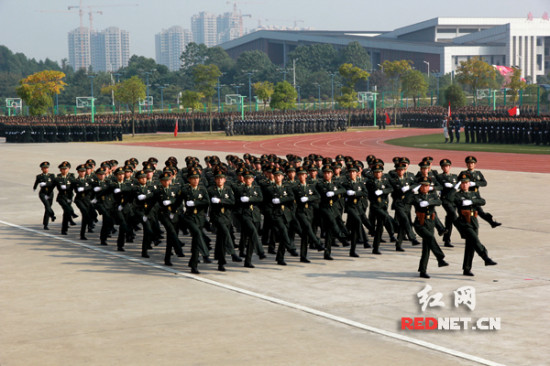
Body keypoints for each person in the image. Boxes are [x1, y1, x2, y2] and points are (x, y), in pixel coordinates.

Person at [453, 172, 497, 276]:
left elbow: (482, 201)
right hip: (464, 221)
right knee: (475, 240)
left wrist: (471, 202)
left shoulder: (474, 193)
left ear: (469, 184)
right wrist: (454, 188)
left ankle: (467, 269)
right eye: (462, 183)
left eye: (466, 183)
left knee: (470, 245)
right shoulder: (457, 195)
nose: (464, 185)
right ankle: (485, 257)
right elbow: (449, 199)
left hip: (474, 220)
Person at [409, 177, 448, 278]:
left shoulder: (432, 195)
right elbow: (407, 200)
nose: (424, 187)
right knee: (430, 237)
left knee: (426, 248)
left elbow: (439, 202)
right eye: (422, 186)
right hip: (420, 223)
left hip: (430, 222)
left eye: (426, 186)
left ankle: (423, 270)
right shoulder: (416, 197)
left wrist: (429, 203)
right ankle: (440, 258)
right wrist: (414, 189)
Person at [207, 167, 242, 271]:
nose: (219, 180)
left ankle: (220, 262)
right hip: (216, 217)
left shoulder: (228, 189)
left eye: (221, 178)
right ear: (215, 179)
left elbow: (232, 202)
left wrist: (220, 201)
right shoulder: (210, 190)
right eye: (217, 178)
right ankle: (232, 253)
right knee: (226, 233)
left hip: (226, 217)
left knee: (221, 240)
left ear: (225, 179)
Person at [264, 168, 299, 265]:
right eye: (276, 176)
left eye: (279, 176)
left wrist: (281, 201)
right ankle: (291, 248)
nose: (277, 177)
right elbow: (266, 204)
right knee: (283, 231)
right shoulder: (270, 189)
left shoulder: (287, 187)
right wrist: (271, 214)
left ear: (283, 177)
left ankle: (280, 258)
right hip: (276, 215)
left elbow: (292, 197)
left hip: (286, 214)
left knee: (284, 236)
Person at [235, 170, 266, 268]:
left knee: (252, 239)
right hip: (245, 215)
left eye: (250, 178)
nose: (248, 180)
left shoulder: (257, 188)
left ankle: (248, 261)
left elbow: (260, 198)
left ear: (252, 179)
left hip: (255, 215)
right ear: (244, 179)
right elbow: (237, 201)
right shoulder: (240, 188)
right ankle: (260, 251)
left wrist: (249, 199)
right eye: (246, 178)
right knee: (253, 232)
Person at [459, 156, 502, 228]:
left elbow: (484, 183)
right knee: (466, 213)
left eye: (472, 163)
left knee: (479, 211)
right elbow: (458, 183)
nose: (470, 165)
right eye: (469, 163)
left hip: (475, 194)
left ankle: (491, 223)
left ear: (475, 164)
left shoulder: (478, 173)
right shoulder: (463, 173)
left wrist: (476, 183)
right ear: (466, 165)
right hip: (466, 194)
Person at [292, 166, 323, 262]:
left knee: (305, 234)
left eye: (303, 174)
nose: (301, 176)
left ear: (306, 175)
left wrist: (309, 199)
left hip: (310, 212)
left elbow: (317, 196)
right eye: (299, 175)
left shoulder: (310, 186)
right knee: (307, 227)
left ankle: (303, 256)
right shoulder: (295, 188)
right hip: (300, 212)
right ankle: (317, 243)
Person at [436, 159, 458, 247]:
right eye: (444, 166)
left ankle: (446, 240)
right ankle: (463, 231)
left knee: (449, 220)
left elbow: (460, 185)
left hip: (454, 200)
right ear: (441, 167)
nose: (445, 168)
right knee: (453, 214)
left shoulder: (455, 176)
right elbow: (437, 186)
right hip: (445, 200)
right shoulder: (439, 177)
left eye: (447, 166)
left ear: (450, 167)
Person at [55, 161, 78, 235]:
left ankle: (64, 229)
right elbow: (51, 186)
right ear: (60, 170)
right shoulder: (58, 178)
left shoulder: (71, 178)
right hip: (61, 197)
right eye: (62, 169)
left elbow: (75, 188)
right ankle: (65, 227)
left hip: (69, 197)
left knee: (66, 213)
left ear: (68, 169)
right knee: (67, 209)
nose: (64, 170)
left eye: (65, 169)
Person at [33, 161, 56, 230]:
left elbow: (53, 184)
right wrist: (34, 188)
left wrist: (45, 184)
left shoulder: (52, 176)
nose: (45, 169)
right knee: (47, 205)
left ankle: (46, 223)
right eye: (44, 168)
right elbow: (36, 183)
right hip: (43, 193)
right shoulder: (39, 176)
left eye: (47, 168)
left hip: (50, 193)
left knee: (47, 209)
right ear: (41, 169)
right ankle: (52, 215)